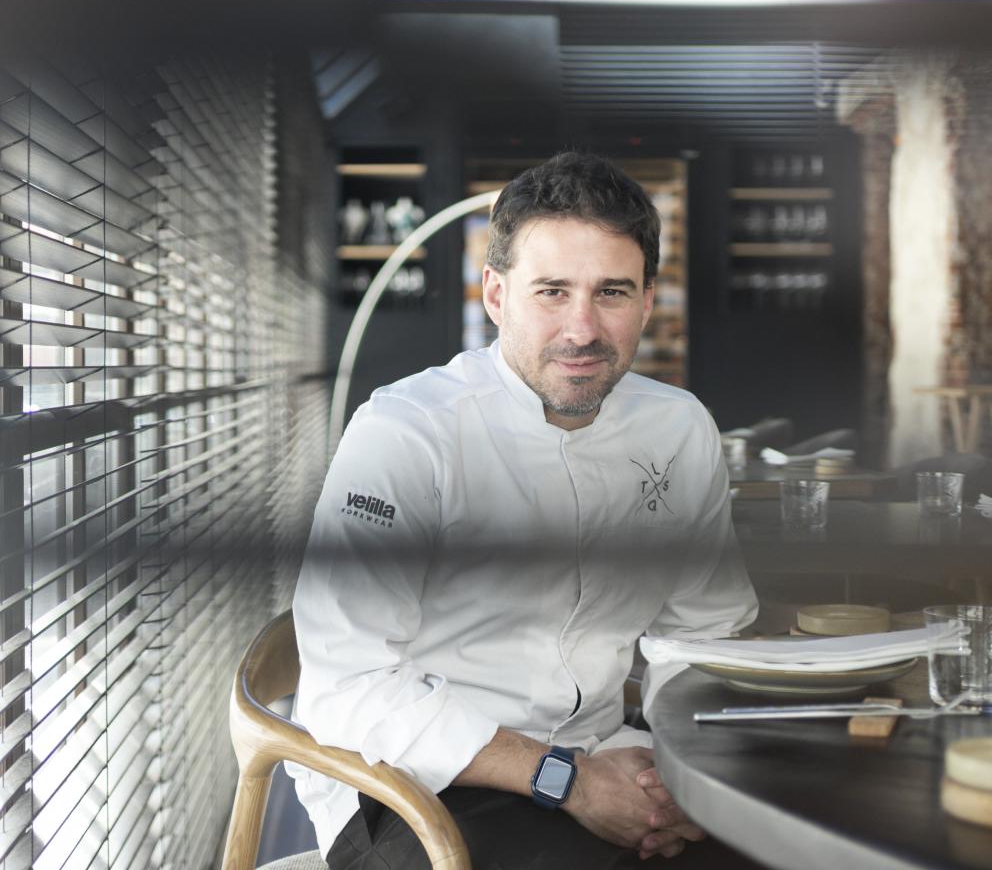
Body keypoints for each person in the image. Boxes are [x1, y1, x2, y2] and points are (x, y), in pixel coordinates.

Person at [288, 151, 759, 869]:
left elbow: (705, 628)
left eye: (611, 292)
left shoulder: (680, 428)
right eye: (551, 292)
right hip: (410, 785)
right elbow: (348, 686)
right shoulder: (406, 432)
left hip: (606, 751)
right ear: (497, 294)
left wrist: (672, 769)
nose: (581, 329)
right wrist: (566, 780)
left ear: (648, 298)